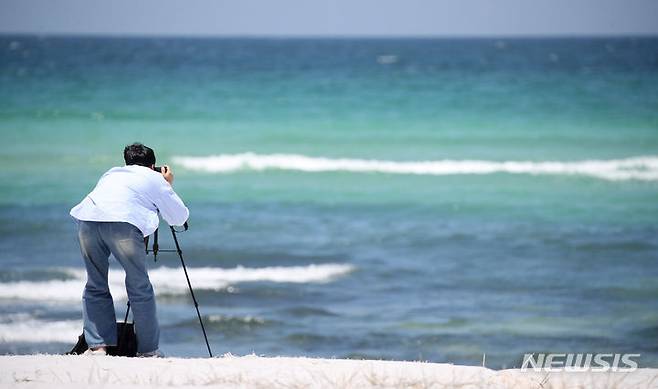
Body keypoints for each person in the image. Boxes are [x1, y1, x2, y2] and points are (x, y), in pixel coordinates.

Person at [70, 143, 189, 357]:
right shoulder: (154, 178)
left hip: (87, 219)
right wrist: (168, 185)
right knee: (139, 286)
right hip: (122, 224)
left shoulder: (111, 173)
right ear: (152, 165)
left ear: (127, 162)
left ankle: (98, 346)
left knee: (95, 283)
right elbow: (179, 218)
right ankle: (148, 351)